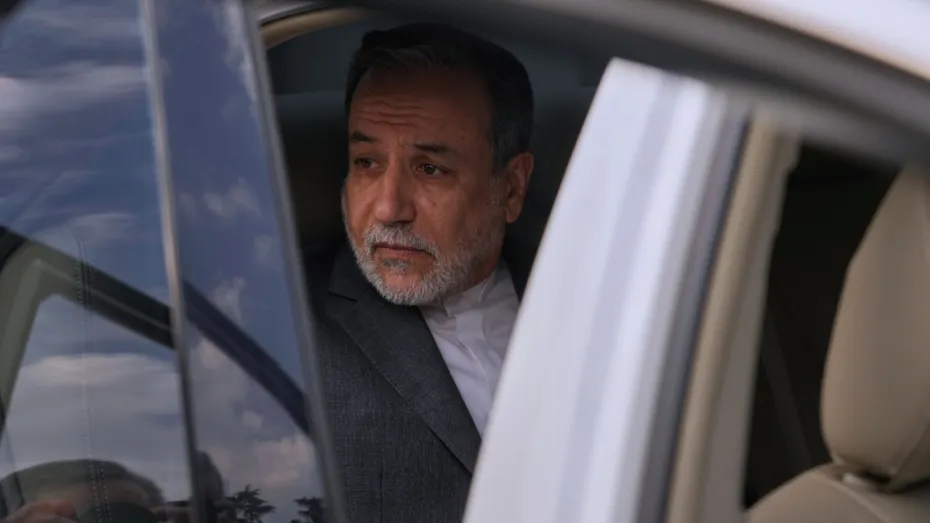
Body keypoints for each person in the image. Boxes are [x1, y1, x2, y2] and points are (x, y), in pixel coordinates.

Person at [305, 22, 534, 523]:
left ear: (512, 188)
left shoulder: (601, 299)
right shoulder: (283, 322)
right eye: (366, 162)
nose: (389, 208)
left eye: (430, 169)